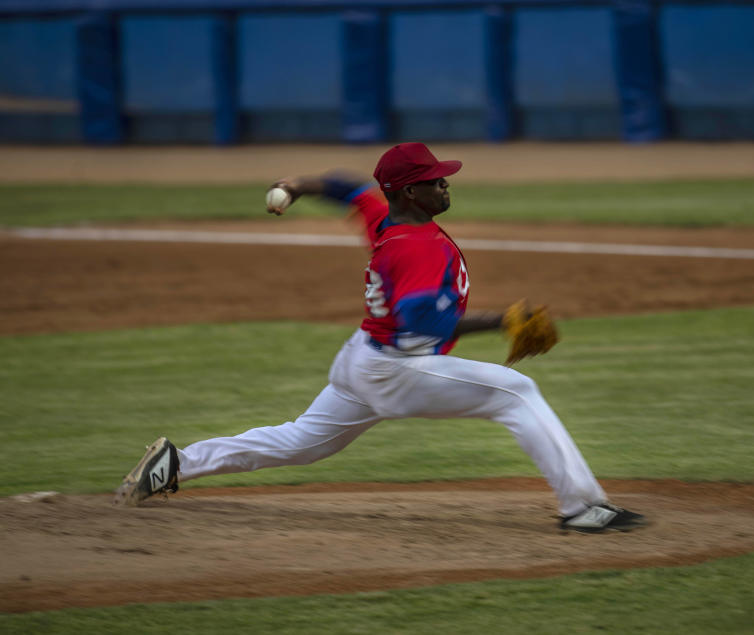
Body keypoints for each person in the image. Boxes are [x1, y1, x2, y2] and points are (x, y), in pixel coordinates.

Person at [113, 142, 645, 533]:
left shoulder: (386, 219)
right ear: (411, 191)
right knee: (517, 392)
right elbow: (423, 324)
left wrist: (298, 184)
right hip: (399, 367)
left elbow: (350, 186)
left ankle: (176, 464)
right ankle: (583, 508)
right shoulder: (415, 246)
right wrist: (503, 319)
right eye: (436, 180)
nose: (446, 184)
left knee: (299, 443)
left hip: (362, 361)